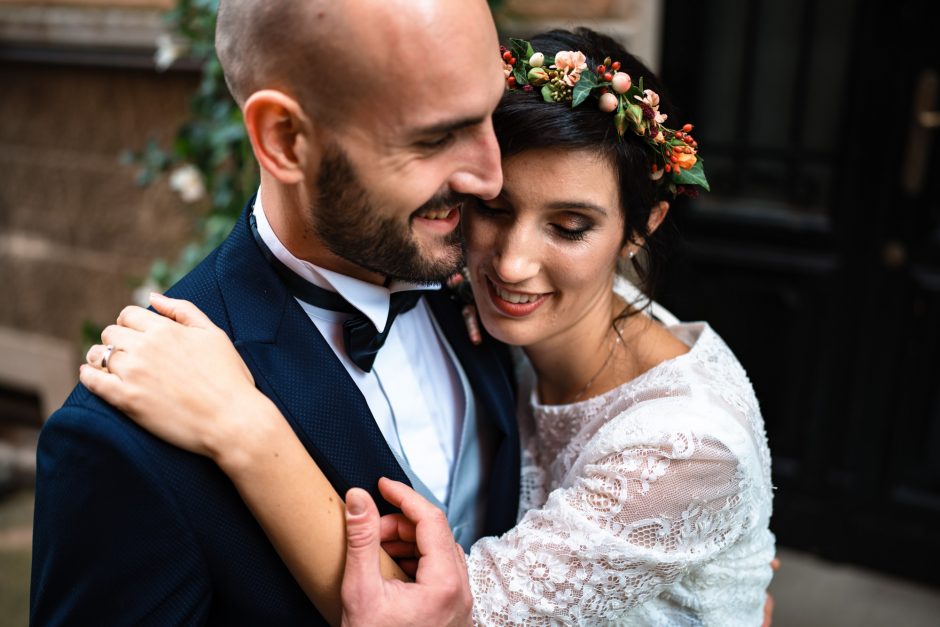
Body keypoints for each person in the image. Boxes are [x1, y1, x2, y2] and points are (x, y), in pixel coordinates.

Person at [79, 28, 776, 625]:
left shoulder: (688, 442)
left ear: (641, 228)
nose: (511, 262)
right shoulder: (479, 299)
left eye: (570, 226)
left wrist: (243, 425)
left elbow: (432, 613)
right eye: (496, 208)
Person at [30, 1, 520, 625]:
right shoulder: (120, 444)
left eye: (491, 115)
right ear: (285, 140)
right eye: (433, 138)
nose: (491, 178)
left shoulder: (500, 276)